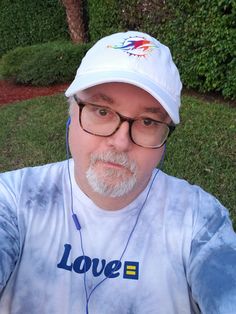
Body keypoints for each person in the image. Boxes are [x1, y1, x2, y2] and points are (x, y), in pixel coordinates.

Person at [0, 31, 235, 314]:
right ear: (71, 115)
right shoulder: (13, 199)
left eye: (147, 121)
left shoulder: (199, 220)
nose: (121, 142)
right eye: (101, 111)